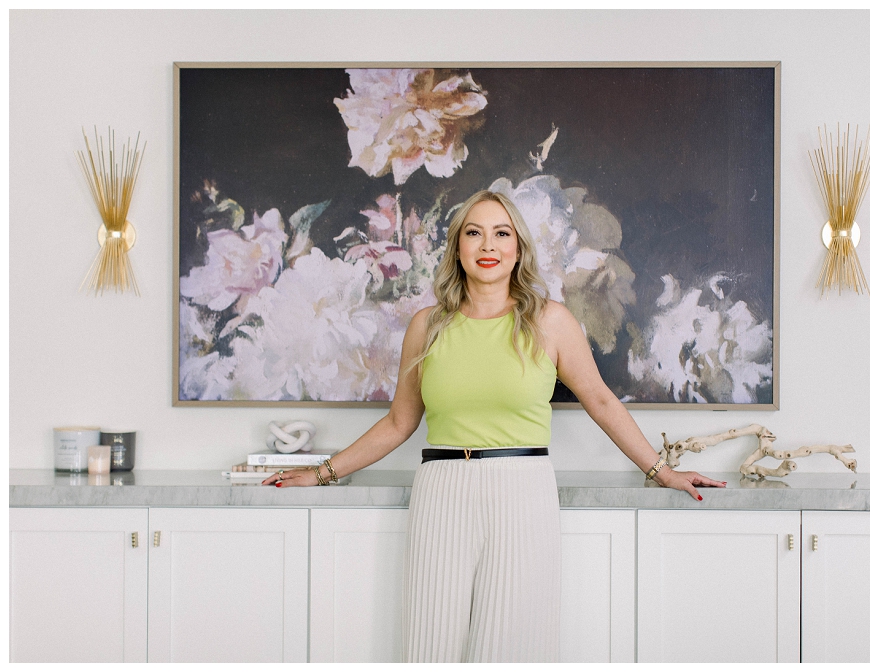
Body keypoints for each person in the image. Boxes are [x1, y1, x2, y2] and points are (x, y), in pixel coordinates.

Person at [262, 190, 725, 662]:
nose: (488, 245)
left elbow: (603, 402)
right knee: (428, 648)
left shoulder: (551, 322)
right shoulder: (427, 326)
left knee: (511, 652)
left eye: (502, 233)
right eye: (474, 233)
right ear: (457, 248)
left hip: (523, 493)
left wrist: (662, 471)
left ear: (518, 247)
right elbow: (399, 422)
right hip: (440, 490)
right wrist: (321, 472)